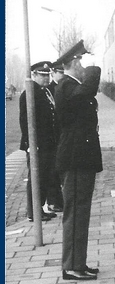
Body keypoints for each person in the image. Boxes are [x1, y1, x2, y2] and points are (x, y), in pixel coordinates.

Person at [54, 40, 101, 280]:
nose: (85, 66)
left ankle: (78, 263)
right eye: (81, 60)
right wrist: (94, 69)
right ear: (73, 62)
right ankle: (72, 266)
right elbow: (90, 84)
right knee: (75, 212)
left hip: (80, 157)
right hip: (74, 159)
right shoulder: (66, 85)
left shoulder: (72, 85)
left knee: (81, 211)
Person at [19, 61, 59, 222]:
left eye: (48, 75)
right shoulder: (29, 93)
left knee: (44, 177)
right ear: (34, 75)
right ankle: (33, 212)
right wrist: (30, 143)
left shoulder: (43, 92)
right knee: (36, 177)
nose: (46, 78)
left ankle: (39, 208)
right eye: (42, 75)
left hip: (47, 143)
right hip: (37, 144)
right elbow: (25, 121)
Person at [45, 60, 66, 213]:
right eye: (60, 72)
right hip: (53, 136)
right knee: (53, 171)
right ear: (54, 73)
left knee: (60, 169)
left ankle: (59, 200)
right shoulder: (50, 89)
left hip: (62, 134)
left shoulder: (64, 86)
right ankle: (54, 201)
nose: (62, 75)